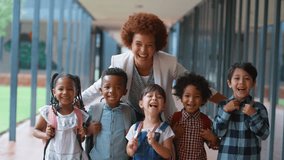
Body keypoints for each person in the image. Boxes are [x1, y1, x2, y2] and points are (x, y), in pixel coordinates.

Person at [82, 12, 226, 121]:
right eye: (138, 44)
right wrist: (72, 102)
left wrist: (227, 103)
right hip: (128, 117)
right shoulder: (119, 62)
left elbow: (195, 84)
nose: (143, 51)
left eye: (149, 45)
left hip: (160, 118)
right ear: (130, 43)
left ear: (157, 45)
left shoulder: (168, 62)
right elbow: (97, 88)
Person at [213, 62, 270, 160]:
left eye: (247, 78)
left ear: (253, 83)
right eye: (236, 78)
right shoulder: (222, 106)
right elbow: (217, 132)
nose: (241, 82)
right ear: (229, 83)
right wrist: (226, 111)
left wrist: (253, 115)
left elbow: (264, 135)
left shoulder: (259, 108)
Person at [33, 73, 89, 160]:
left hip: (74, 156)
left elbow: (81, 140)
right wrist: (46, 135)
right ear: (54, 92)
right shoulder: (49, 112)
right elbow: (35, 131)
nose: (65, 92)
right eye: (61, 89)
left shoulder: (80, 115)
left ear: (76, 92)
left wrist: (82, 134)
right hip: (53, 156)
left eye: (70, 89)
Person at [86, 67, 136, 160]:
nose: (112, 91)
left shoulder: (129, 112)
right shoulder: (94, 110)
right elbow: (81, 133)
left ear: (125, 91)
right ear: (101, 90)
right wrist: (89, 130)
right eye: (107, 87)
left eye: (118, 87)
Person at [167, 72, 219, 160]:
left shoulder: (206, 121)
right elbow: (164, 144)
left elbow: (214, 145)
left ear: (203, 100)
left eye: (197, 96)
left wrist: (213, 138)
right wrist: (173, 135)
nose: (191, 100)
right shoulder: (173, 118)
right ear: (181, 97)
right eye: (187, 96)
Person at [126, 84, 174, 159]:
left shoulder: (166, 129)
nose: (154, 98)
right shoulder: (134, 128)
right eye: (150, 96)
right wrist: (130, 148)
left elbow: (168, 155)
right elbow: (129, 153)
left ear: (164, 106)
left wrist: (154, 143)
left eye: (159, 97)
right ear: (141, 103)